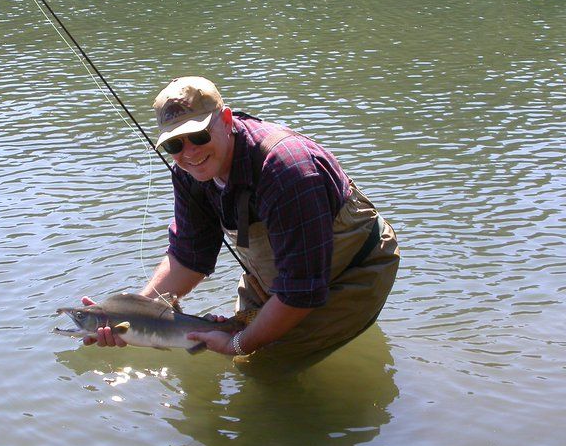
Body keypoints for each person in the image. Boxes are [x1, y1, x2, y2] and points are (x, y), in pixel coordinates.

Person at [84, 76, 400, 373]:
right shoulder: (190, 171)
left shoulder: (288, 170)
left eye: (198, 135)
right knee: (236, 344)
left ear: (225, 120)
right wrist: (131, 313)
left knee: (257, 367)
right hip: (282, 274)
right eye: (174, 145)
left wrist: (237, 343)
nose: (189, 152)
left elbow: (301, 291)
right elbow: (190, 258)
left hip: (354, 271)